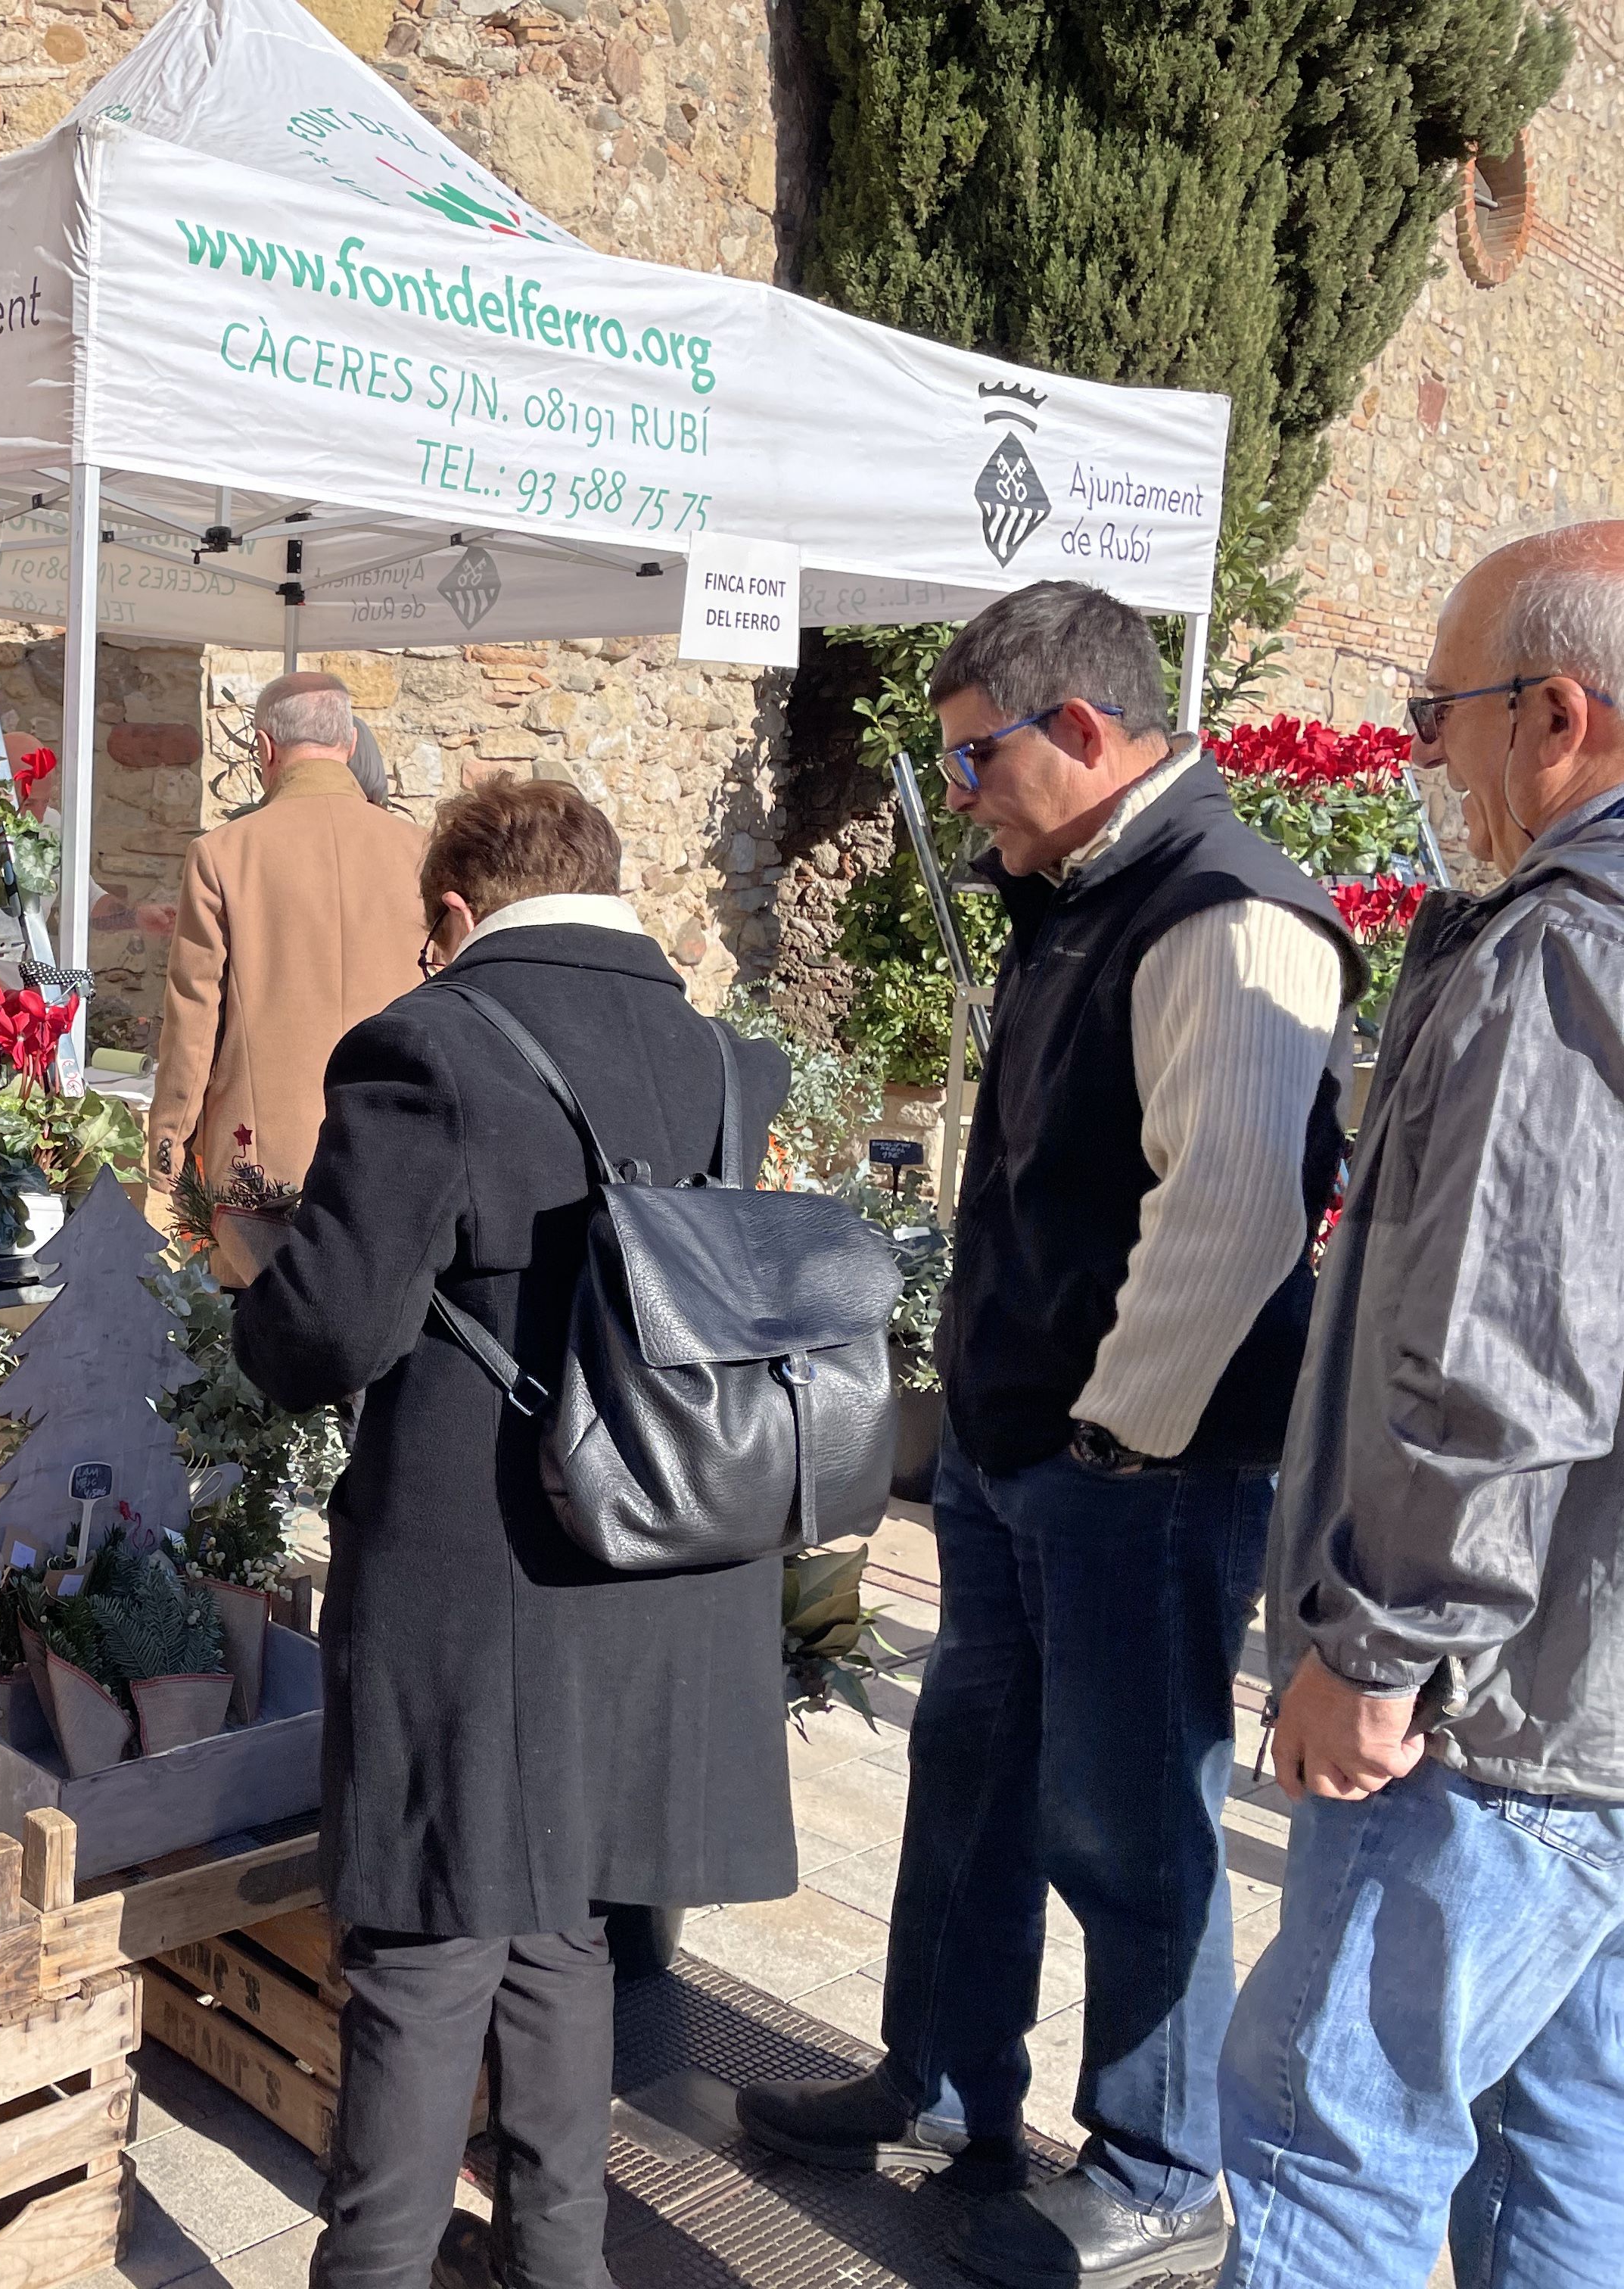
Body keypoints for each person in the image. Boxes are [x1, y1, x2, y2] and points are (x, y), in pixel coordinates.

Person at [737, 581, 1361, 2287]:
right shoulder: (1087, 893)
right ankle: (943, 2086)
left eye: (971, 759)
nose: (959, 798)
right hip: (1040, 1460)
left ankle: (1159, 2166)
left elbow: (1233, 1215)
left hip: (1132, 1474)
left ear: (1082, 731)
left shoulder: (1230, 914)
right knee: (974, 1783)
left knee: (1129, 1819)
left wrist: (1110, 1441)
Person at [234, 778, 795, 2289]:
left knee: (423, 1955)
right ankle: (561, 2268)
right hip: (663, 1559)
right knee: (560, 1939)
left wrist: (259, 1262)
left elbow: (322, 1339)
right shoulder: (722, 1061)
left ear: (458, 915)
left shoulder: (428, 1048)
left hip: (477, 1581)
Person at [1218, 522, 1624, 2289]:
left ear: (1558, 714)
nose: (1416, 749)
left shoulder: (1563, 956)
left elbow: (1508, 1353)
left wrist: (1382, 1648)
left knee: (1331, 2143)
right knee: (1572, 2163)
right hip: (1592, 1714)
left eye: (1435, 708)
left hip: (1499, 1710)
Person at [147, 672, 425, 1210]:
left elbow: (195, 1013)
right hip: (400, 1138)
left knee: (259, 1291)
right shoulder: (420, 851)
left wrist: (168, 1142)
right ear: (348, 744)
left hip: (264, 1154)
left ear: (265, 748)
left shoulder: (224, 853)